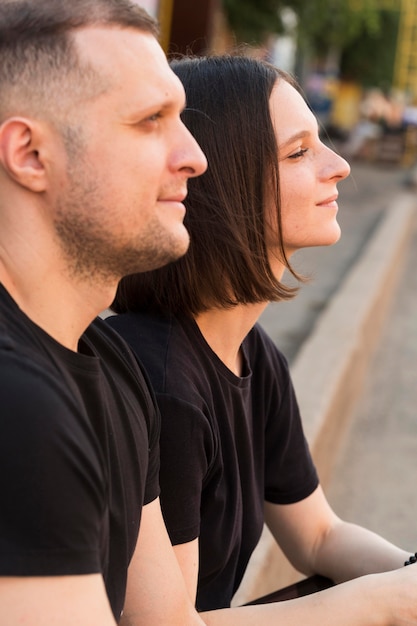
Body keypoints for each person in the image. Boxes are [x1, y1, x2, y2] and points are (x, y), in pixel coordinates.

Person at [108, 55, 417, 624]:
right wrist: (383, 604)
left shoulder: (253, 354)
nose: (341, 165)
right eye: (300, 152)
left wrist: (408, 575)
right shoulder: (162, 382)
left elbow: (318, 535)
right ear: (221, 184)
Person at [0, 2, 210, 625]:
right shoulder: (16, 405)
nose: (195, 155)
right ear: (31, 154)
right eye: (151, 121)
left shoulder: (110, 361)